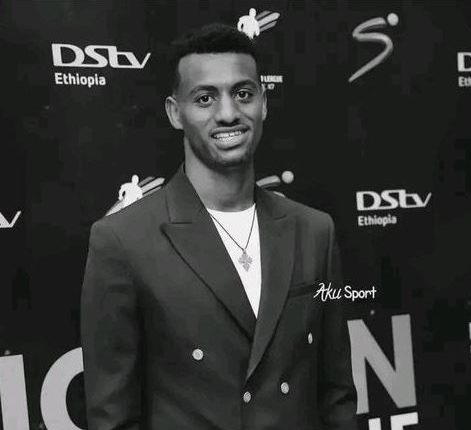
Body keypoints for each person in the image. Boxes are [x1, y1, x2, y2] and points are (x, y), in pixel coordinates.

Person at [81, 23, 358, 430]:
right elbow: (113, 418)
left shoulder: (315, 231)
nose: (228, 114)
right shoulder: (121, 241)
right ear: (175, 113)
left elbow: (336, 396)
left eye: (243, 94)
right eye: (205, 98)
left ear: (264, 103)